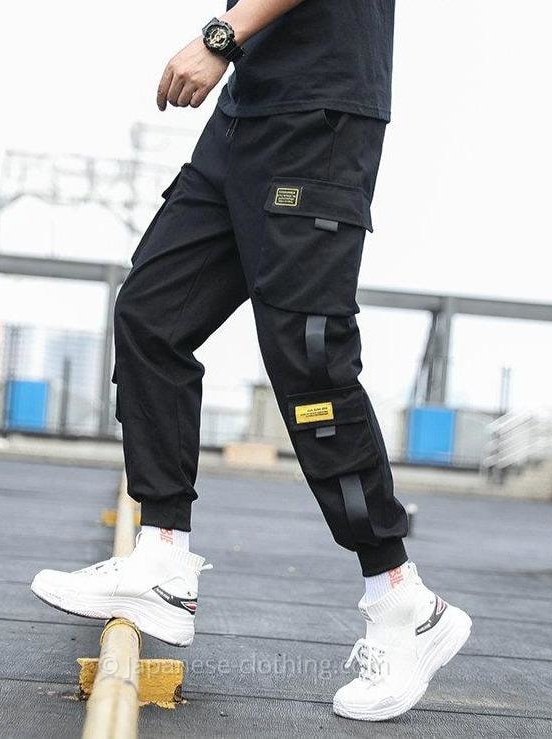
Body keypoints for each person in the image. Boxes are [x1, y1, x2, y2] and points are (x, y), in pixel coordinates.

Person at [31, 0, 471, 721]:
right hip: (246, 111)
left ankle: (402, 600)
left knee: (309, 364)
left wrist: (220, 36)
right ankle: (162, 559)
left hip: (319, 119)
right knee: (152, 315)